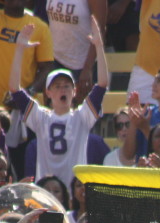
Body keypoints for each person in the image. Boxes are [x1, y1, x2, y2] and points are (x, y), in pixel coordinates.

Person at [9, 22, 107, 188]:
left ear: (74, 91)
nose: (63, 90)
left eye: (67, 86)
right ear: (48, 93)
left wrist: (99, 46)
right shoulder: (41, 117)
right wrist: (19, 49)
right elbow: (14, 89)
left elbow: (102, 84)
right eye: (57, 86)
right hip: (48, 192)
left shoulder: (82, 116)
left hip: (75, 192)